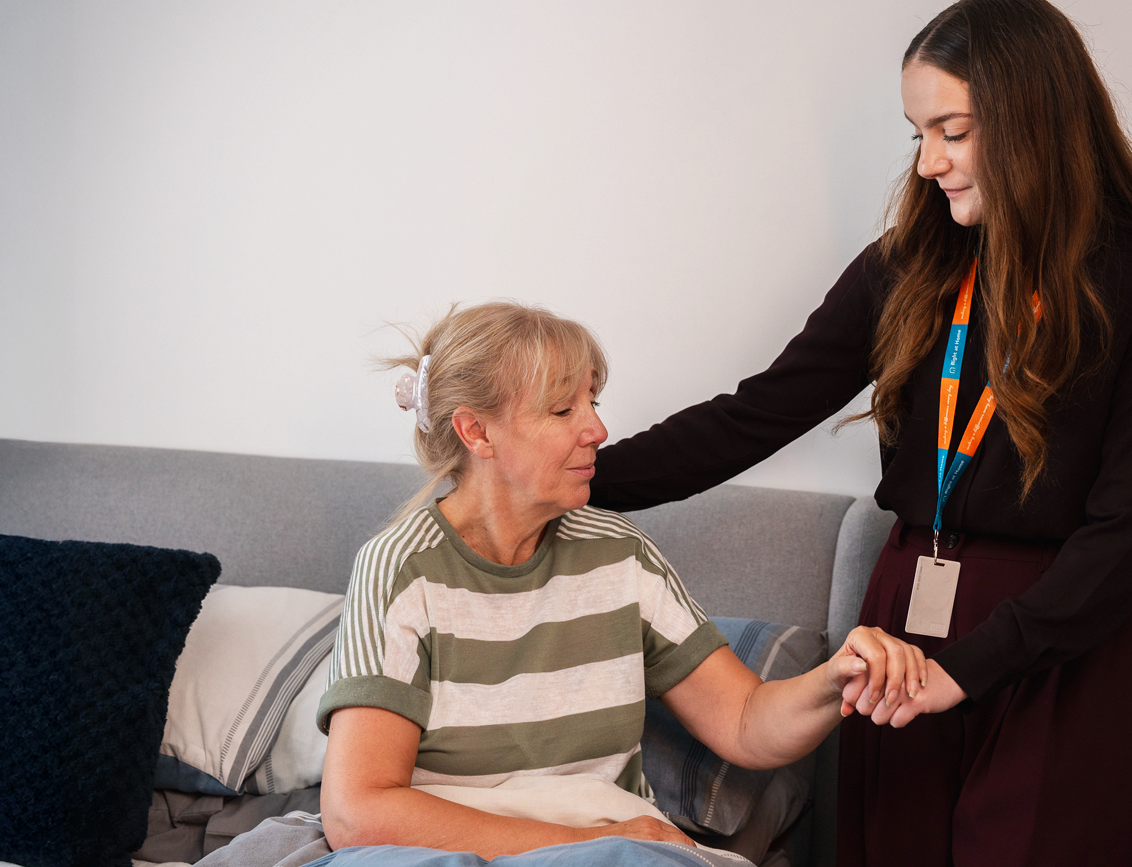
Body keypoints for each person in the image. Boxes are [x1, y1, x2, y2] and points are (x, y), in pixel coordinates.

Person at [585, 1, 1132, 864]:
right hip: (902, 630)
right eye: (918, 133)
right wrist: (577, 479)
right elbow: (753, 414)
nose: (930, 162)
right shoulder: (907, 266)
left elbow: (1123, 535)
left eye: (951, 130)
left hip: (1061, 631)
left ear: (1033, 120)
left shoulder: (1120, 278)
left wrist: (971, 665)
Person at [317, 302, 922, 860]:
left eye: (593, 403)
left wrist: (838, 678)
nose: (598, 431)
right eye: (563, 411)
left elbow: (744, 721)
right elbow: (356, 812)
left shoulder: (619, 552)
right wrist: (587, 846)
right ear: (476, 432)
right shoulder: (401, 568)